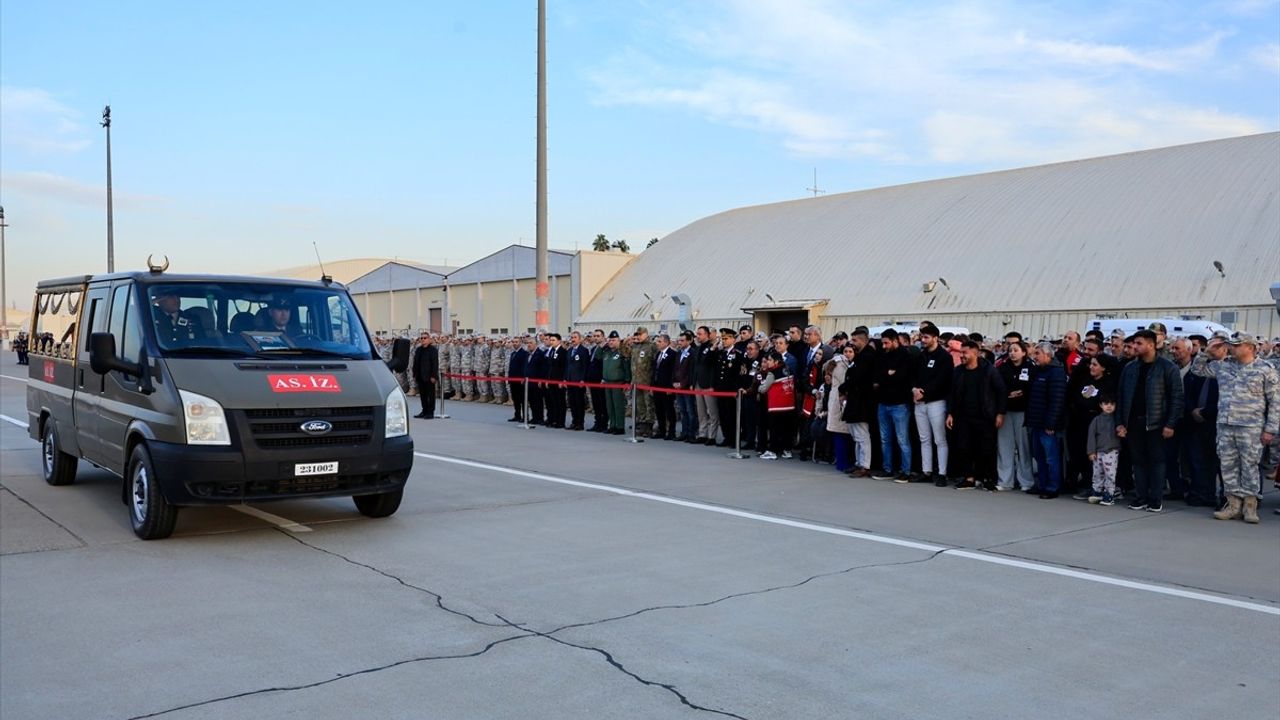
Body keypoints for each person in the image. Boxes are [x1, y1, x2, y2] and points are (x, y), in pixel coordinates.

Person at [1193, 333, 1279, 524]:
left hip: (1251, 428)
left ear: (1250, 347)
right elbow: (1197, 370)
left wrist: (1270, 429)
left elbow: (1275, 402)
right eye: (1231, 344)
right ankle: (1232, 505)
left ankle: (1250, 506)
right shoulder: (1224, 366)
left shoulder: (1265, 369)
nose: (1232, 348)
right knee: (1228, 465)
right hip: (1225, 425)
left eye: (1237, 345)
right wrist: (1206, 352)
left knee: (1249, 467)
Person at [1116, 329, 1184, 513]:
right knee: (1137, 461)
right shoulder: (1130, 368)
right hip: (1133, 423)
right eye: (1134, 343)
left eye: (1139, 343)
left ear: (1151, 345)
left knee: (1157, 461)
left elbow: (1176, 398)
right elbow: (1121, 397)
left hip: (1157, 423)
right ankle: (1141, 497)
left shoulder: (1167, 368)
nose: (1135, 347)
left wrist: (1170, 424)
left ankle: (1155, 499)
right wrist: (1120, 423)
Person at [945, 339, 1006, 490]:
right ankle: (969, 477)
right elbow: (952, 394)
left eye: (965, 353)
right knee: (964, 447)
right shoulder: (958, 371)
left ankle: (987, 478)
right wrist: (950, 413)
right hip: (963, 416)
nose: (962, 356)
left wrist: (1000, 413)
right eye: (961, 353)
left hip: (985, 416)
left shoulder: (989, 370)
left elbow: (1001, 391)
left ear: (975, 353)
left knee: (986, 448)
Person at [872, 330, 915, 482]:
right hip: (883, 403)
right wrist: (888, 374)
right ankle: (887, 469)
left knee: (902, 439)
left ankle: (906, 471)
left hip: (900, 404)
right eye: (882, 343)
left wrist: (889, 376)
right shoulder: (883, 356)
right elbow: (877, 375)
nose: (883, 346)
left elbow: (901, 377)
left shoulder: (905, 356)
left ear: (895, 341)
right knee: (885, 439)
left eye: (886, 343)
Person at [912, 323, 952, 485]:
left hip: (936, 402)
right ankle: (926, 471)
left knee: (940, 439)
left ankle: (942, 473)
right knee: (924, 439)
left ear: (936, 338)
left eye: (926, 337)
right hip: (919, 403)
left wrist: (924, 392)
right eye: (922, 337)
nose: (923, 340)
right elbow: (914, 375)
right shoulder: (921, 356)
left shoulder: (944, 357)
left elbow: (943, 380)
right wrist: (914, 389)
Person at [1026, 342, 1067, 499]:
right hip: (1036, 421)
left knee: (1051, 457)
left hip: (1048, 424)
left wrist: (1051, 423)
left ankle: (1053, 486)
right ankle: (1042, 484)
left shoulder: (1056, 373)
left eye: (1038, 353)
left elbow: (1057, 400)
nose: (1035, 357)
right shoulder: (1038, 371)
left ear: (1048, 355)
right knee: (1039, 456)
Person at [996, 340, 1035, 491]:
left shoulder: (1030, 368)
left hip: (1023, 412)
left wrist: (1021, 393)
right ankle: (1005, 480)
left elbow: (1032, 388)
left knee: (1024, 448)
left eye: (1016, 350)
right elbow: (998, 387)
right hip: (1006, 411)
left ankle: (1026, 481)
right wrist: (1007, 394)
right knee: (1005, 446)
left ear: (1024, 352)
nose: (1012, 353)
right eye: (1010, 350)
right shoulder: (1003, 368)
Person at [839, 330, 876, 477]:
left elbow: (857, 377)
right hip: (855, 399)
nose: (852, 343)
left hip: (863, 401)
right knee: (855, 434)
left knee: (862, 435)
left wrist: (843, 387)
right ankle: (858, 463)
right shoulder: (860, 357)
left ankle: (865, 465)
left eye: (854, 340)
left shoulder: (867, 357)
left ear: (862, 340)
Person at [713, 328, 746, 448]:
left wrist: (737, 388)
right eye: (723, 339)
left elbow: (741, 373)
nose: (724, 341)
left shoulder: (738, 354)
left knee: (732, 416)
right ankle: (727, 437)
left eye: (726, 339)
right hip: (721, 390)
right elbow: (716, 370)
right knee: (723, 415)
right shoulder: (721, 353)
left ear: (733, 339)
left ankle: (734, 439)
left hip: (731, 390)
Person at [1086, 393, 1121, 505]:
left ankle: (1109, 494)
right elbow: (1091, 436)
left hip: (1111, 451)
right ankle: (1097, 491)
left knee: (1110, 474)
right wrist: (1091, 451)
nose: (1109, 406)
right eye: (1106, 404)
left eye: (1112, 404)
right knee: (1097, 473)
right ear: (1101, 405)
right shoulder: (1096, 420)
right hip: (1098, 452)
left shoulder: (1117, 420)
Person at [827, 345, 854, 472]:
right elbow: (845, 381)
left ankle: (842, 461)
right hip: (839, 401)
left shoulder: (839, 363)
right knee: (841, 433)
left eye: (850, 351)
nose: (848, 354)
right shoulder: (841, 365)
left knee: (841, 433)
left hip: (837, 400)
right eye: (846, 351)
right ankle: (843, 463)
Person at [693, 326, 720, 445]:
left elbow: (712, 366)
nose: (697, 336)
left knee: (712, 411)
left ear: (707, 335)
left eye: (700, 334)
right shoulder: (698, 348)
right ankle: (702, 433)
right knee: (701, 411)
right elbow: (695, 367)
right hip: (698, 383)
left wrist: (712, 384)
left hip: (708, 383)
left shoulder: (712, 348)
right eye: (697, 334)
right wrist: (692, 383)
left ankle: (712, 436)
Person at [601, 331, 630, 435]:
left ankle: (620, 427)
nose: (611, 342)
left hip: (618, 382)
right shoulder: (607, 352)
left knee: (618, 405)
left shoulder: (622, 353)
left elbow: (626, 368)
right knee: (610, 406)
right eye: (610, 340)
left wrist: (627, 381)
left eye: (613, 340)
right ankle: (612, 425)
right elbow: (599, 359)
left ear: (619, 341)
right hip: (607, 382)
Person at [673, 331, 699, 442]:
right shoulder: (679, 353)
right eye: (679, 340)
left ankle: (691, 433)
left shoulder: (693, 353)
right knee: (682, 410)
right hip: (678, 386)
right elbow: (675, 369)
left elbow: (691, 371)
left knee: (690, 411)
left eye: (682, 340)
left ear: (689, 341)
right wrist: (674, 382)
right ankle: (684, 432)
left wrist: (685, 384)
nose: (680, 342)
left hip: (687, 386)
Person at [652, 333, 678, 440]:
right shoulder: (658, 354)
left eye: (660, 342)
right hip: (657, 386)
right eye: (657, 341)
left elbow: (673, 372)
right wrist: (652, 385)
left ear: (666, 342)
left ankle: (671, 431)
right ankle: (661, 430)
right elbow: (655, 370)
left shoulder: (672, 354)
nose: (658, 343)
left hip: (666, 386)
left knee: (669, 409)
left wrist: (670, 387)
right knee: (659, 409)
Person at [564, 331, 590, 431]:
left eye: (575, 337)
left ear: (580, 339)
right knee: (572, 402)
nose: (573, 339)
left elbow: (585, 366)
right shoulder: (570, 350)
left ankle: (580, 423)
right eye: (572, 337)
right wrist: (566, 378)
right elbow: (567, 366)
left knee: (579, 402)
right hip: (570, 380)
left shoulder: (584, 350)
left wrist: (583, 379)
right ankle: (574, 421)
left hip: (579, 381)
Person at [412, 333, 439, 419]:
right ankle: (424, 410)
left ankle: (430, 412)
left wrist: (434, 376)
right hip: (420, 376)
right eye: (421, 338)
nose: (423, 339)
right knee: (423, 395)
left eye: (425, 338)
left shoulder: (433, 350)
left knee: (430, 395)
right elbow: (415, 362)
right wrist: (414, 373)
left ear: (429, 339)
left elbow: (435, 364)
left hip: (429, 376)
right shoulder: (418, 349)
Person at [587, 329, 609, 432]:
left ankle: (603, 424)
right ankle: (597, 423)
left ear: (603, 337)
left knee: (602, 403)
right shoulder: (593, 349)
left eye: (598, 336)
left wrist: (603, 378)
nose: (596, 338)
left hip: (601, 380)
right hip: (593, 380)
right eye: (594, 336)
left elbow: (605, 365)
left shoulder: (606, 349)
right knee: (596, 403)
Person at [544, 333, 567, 428]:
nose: (551, 342)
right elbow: (550, 367)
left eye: (553, 340)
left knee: (560, 402)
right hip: (551, 381)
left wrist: (563, 380)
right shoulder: (552, 351)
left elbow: (564, 367)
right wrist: (547, 380)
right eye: (551, 340)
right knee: (554, 402)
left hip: (559, 381)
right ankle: (555, 420)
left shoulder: (563, 352)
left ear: (559, 341)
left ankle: (561, 421)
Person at [507, 337, 530, 422]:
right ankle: (517, 415)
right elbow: (511, 367)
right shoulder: (513, 353)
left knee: (522, 399)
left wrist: (523, 377)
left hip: (521, 381)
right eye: (513, 342)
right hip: (513, 380)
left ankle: (525, 417)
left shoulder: (524, 353)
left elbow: (525, 367)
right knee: (515, 399)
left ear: (520, 343)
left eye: (516, 342)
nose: (514, 343)